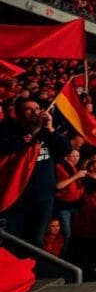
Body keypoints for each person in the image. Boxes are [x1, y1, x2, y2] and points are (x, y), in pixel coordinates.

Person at [0, 97, 71, 244]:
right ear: (18, 114)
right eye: (29, 109)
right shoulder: (8, 131)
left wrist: (51, 128)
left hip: (44, 197)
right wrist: (31, 134)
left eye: (37, 108)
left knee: (36, 241)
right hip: (18, 198)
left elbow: (66, 148)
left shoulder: (47, 133)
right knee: (14, 241)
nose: (35, 112)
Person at [54, 148, 86, 256]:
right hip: (64, 207)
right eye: (74, 156)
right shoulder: (60, 167)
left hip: (75, 206)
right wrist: (76, 176)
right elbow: (58, 185)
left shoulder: (76, 169)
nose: (76, 159)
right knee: (66, 235)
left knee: (73, 235)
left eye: (78, 156)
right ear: (67, 156)